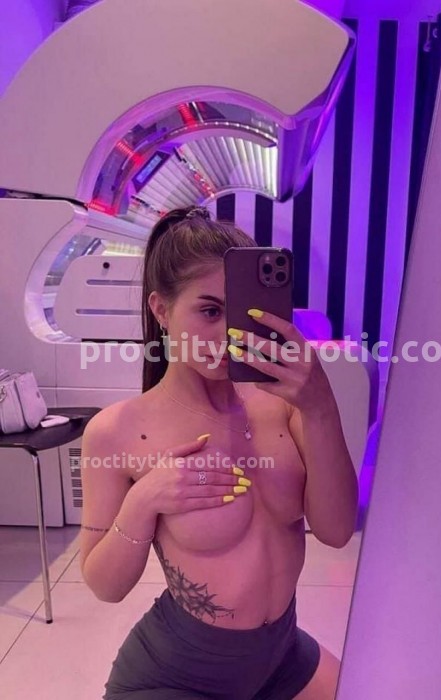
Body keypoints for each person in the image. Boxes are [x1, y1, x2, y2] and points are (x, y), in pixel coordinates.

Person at [79, 205, 359, 700]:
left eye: (241, 311)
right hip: (177, 676)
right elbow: (105, 585)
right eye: (209, 311)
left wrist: (320, 406)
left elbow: (337, 532)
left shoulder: (285, 405)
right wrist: (143, 501)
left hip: (281, 657)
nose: (229, 333)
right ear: (161, 311)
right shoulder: (118, 431)